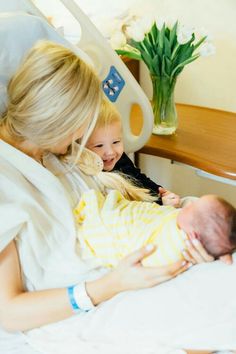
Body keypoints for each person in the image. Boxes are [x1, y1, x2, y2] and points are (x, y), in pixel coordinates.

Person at [0, 39, 210, 334]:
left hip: (124, 259)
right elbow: (9, 312)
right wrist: (110, 285)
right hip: (85, 298)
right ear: (56, 121)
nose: (82, 134)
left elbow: (113, 209)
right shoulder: (7, 179)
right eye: (79, 124)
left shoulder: (54, 153)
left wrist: (179, 230)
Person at [74, 189, 236, 268]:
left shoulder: (174, 245)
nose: (191, 203)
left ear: (192, 235)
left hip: (116, 232)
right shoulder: (187, 225)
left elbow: (149, 260)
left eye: (192, 208)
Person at [85, 99, 181, 207]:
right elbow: (127, 204)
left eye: (116, 142)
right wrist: (160, 204)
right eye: (99, 146)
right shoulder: (95, 177)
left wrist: (158, 191)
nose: (110, 152)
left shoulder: (118, 159)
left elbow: (136, 176)